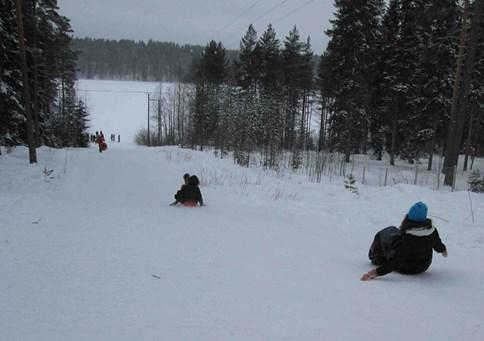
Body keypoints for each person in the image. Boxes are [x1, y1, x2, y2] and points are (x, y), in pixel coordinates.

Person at [361, 202, 447, 281]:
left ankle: (376, 257)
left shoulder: (408, 239)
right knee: (394, 233)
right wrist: (443, 250)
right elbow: (438, 245)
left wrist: (376, 272)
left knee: (385, 234)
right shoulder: (432, 232)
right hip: (424, 265)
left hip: (407, 268)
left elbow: (397, 262)